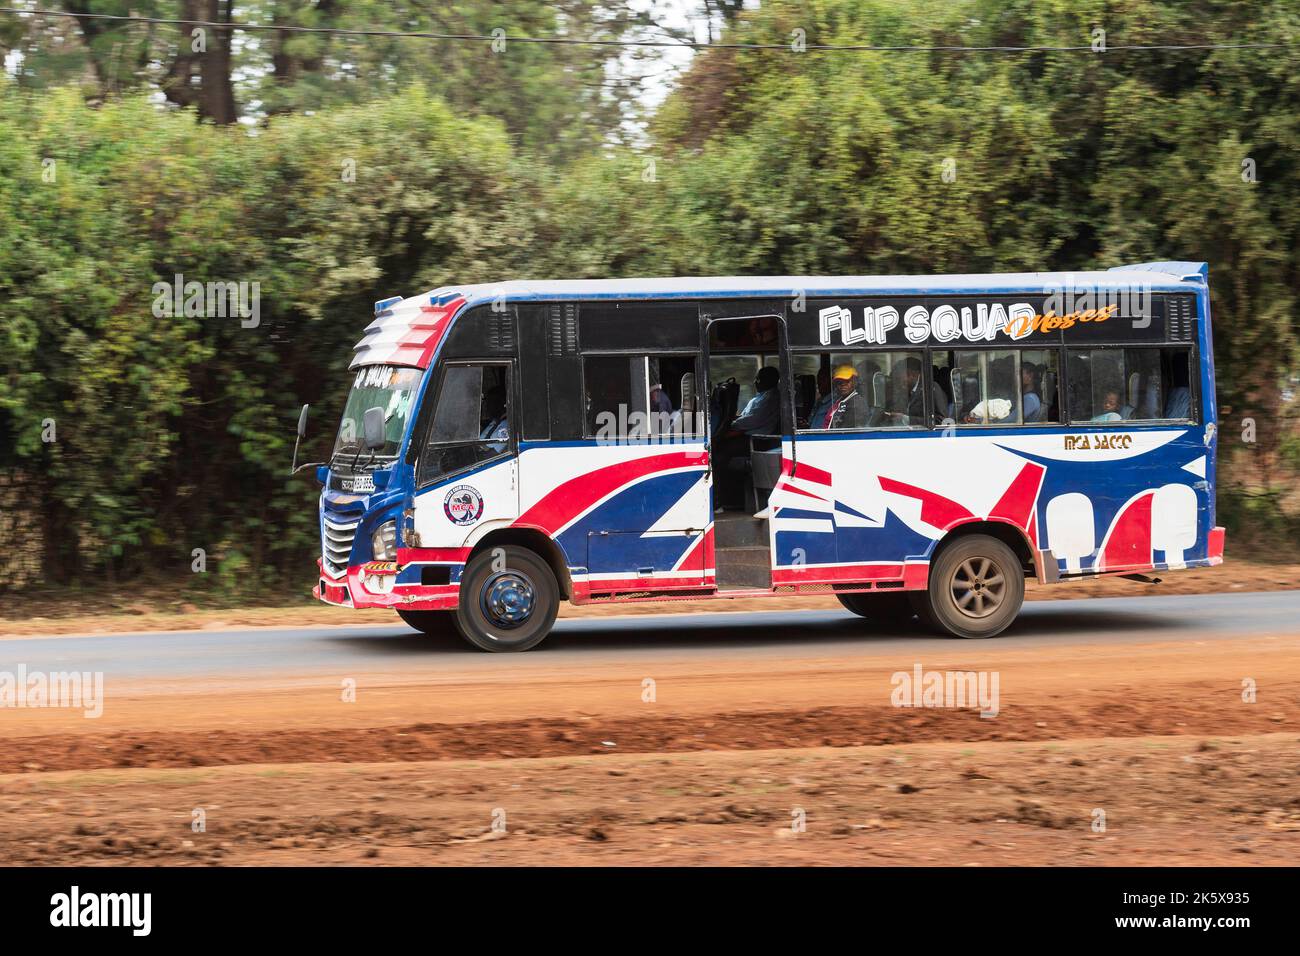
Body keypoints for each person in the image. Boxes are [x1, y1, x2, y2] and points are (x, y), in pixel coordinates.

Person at [714, 365, 781, 510]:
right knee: (717, 448)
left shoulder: (771, 398)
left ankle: (719, 501)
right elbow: (744, 417)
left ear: (770, 380)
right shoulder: (760, 397)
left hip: (758, 441)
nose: (755, 382)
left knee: (718, 454)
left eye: (759, 379)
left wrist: (729, 425)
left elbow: (752, 420)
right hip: (747, 436)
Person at [898, 357, 948, 425]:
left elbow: (941, 420)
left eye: (902, 376)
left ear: (913, 375)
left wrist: (907, 419)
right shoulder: (905, 390)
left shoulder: (930, 388)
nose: (899, 381)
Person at [819, 364, 868, 429]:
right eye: (839, 382)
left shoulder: (857, 403)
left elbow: (845, 433)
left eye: (847, 381)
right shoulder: (839, 400)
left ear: (855, 382)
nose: (843, 385)